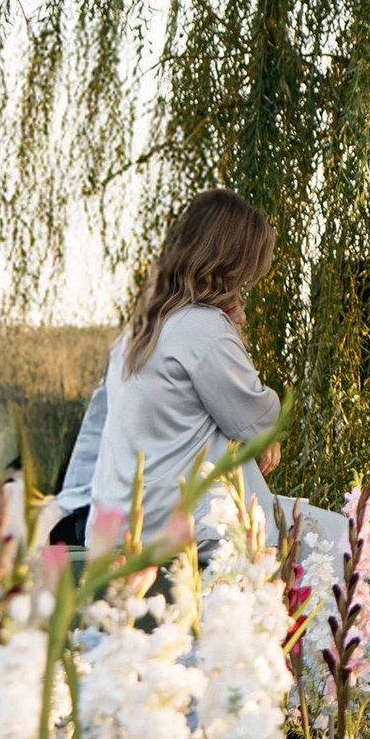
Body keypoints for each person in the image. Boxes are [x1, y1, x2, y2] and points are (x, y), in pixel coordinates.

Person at [72, 190, 282, 557]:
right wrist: (230, 330)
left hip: (115, 526)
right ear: (231, 265)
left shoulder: (138, 331)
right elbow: (257, 421)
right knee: (321, 546)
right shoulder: (205, 328)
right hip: (179, 530)